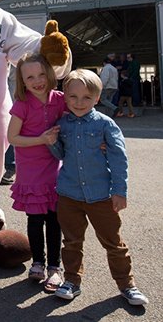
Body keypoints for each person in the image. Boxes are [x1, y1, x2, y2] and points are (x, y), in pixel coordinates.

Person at [48, 69, 149, 306]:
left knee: (113, 243)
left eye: (86, 97)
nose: (79, 102)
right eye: (73, 97)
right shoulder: (62, 124)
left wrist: (119, 191)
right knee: (71, 242)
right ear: (65, 96)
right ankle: (72, 281)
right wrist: (52, 143)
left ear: (97, 97)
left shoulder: (106, 124)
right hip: (69, 195)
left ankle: (127, 285)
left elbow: (118, 159)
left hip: (102, 196)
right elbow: (61, 154)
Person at [7, 53, 66, 291]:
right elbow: (12, 138)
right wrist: (41, 139)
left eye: (41, 74)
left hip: (55, 169)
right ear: (22, 81)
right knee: (34, 219)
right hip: (30, 172)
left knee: (54, 219)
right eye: (30, 77)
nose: (37, 80)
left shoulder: (61, 100)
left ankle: (55, 267)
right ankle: (38, 263)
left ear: (50, 73)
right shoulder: (22, 104)